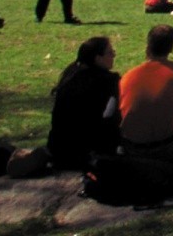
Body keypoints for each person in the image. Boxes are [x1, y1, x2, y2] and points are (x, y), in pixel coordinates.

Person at [119, 24, 173, 163]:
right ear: (171, 47)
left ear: (148, 45)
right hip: (169, 147)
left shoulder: (129, 75)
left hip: (132, 147)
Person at [49, 35, 121, 170]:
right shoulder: (107, 81)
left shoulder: (70, 75)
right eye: (110, 53)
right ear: (98, 58)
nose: (113, 56)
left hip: (59, 148)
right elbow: (110, 116)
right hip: (86, 152)